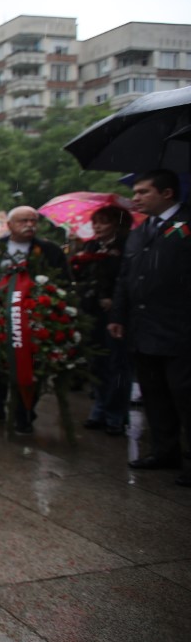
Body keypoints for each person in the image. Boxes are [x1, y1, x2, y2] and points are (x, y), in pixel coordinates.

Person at [109, 170, 191, 484]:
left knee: (184, 394)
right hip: (143, 328)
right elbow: (126, 277)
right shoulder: (140, 231)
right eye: (136, 192)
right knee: (155, 393)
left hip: (179, 328)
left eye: (143, 192)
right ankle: (164, 451)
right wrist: (118, 315)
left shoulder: (186, 224)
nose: (136, 197)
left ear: (167, 193)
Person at [0, 206, 68, 433]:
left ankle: (25, 414)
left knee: (28, 367)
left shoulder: (48, 250)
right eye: (23, 221)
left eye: (33, 221)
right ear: (9, 225)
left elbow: (64, 281)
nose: (29, 225)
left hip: (32, 320)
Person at [72, 206, 132, 436]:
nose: (97, 226)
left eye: (103, 222)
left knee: (117, 364)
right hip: (92, 310)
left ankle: (116, 413)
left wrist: (112, 300)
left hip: (116, 314)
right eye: (95, 222)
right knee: (96, 361)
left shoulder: (126, 245)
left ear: (117, 224)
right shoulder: (92, 245)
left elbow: (125, 278)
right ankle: (99, 407)